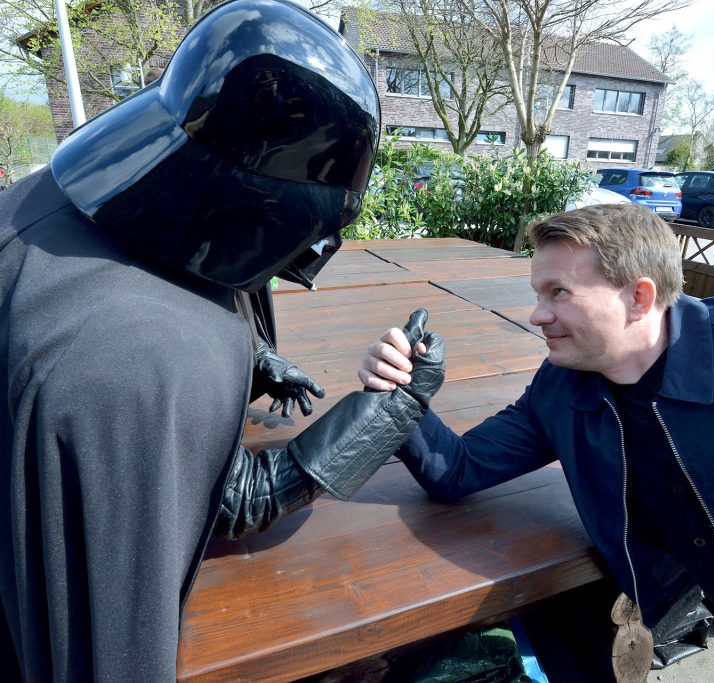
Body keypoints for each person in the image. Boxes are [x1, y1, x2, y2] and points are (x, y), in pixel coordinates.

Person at [0, 1, 447, 680]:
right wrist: (386, 415)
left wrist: (252, 360)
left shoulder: (53, 207)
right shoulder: (138, 358)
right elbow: (241, 499)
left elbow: (166, 249)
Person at [359, 203, 714, 682]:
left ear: (639, 297)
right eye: (538, 293)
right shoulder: (562, 389)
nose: (537, 315)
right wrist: (400, 394)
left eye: (559, 292)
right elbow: (456, 469)